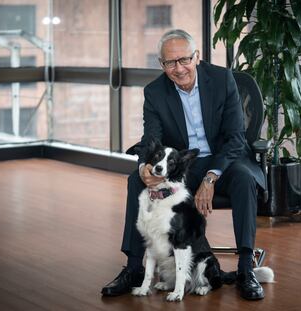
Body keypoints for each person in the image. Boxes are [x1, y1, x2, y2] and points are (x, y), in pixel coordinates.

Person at [101, 29, 266, 300]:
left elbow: (236, 139)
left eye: (184, 60)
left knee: (245, 179)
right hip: (182, 166)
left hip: (223, 160)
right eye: (170, 63)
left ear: (197, 57)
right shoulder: (155, 92)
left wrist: (211, 177)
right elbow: (151, 138)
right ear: (162, 65)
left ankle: (246, 268)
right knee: (135, 180)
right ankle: (134, 269)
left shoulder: (223, 79)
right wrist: (144, 166)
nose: (179, 69)